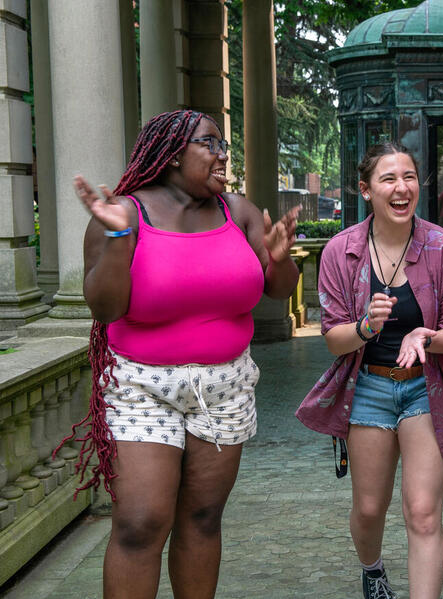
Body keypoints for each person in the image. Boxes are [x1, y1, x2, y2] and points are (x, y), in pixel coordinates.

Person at [59, 109, 300, 598]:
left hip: (225, 386)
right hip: (141, 386)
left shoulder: (239, 211)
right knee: (140, 522)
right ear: (170, 155)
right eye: (209, 144)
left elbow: (279, 290)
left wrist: (278, 258)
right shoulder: (123, 214)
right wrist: (117, 238)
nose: (222, 156)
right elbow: (106, 307)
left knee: (203, 516)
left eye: (224, 146)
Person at [296, 142, 443, 599]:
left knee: (422, 512)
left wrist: (426, 337)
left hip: (426, 389)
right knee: (369, 508)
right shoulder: (341, 252)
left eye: (410, 177)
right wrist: (366, 325)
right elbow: (334, 339)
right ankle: (373, 569)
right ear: (366, 190)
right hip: (368, 390)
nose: (402, 188)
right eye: (389, 179)